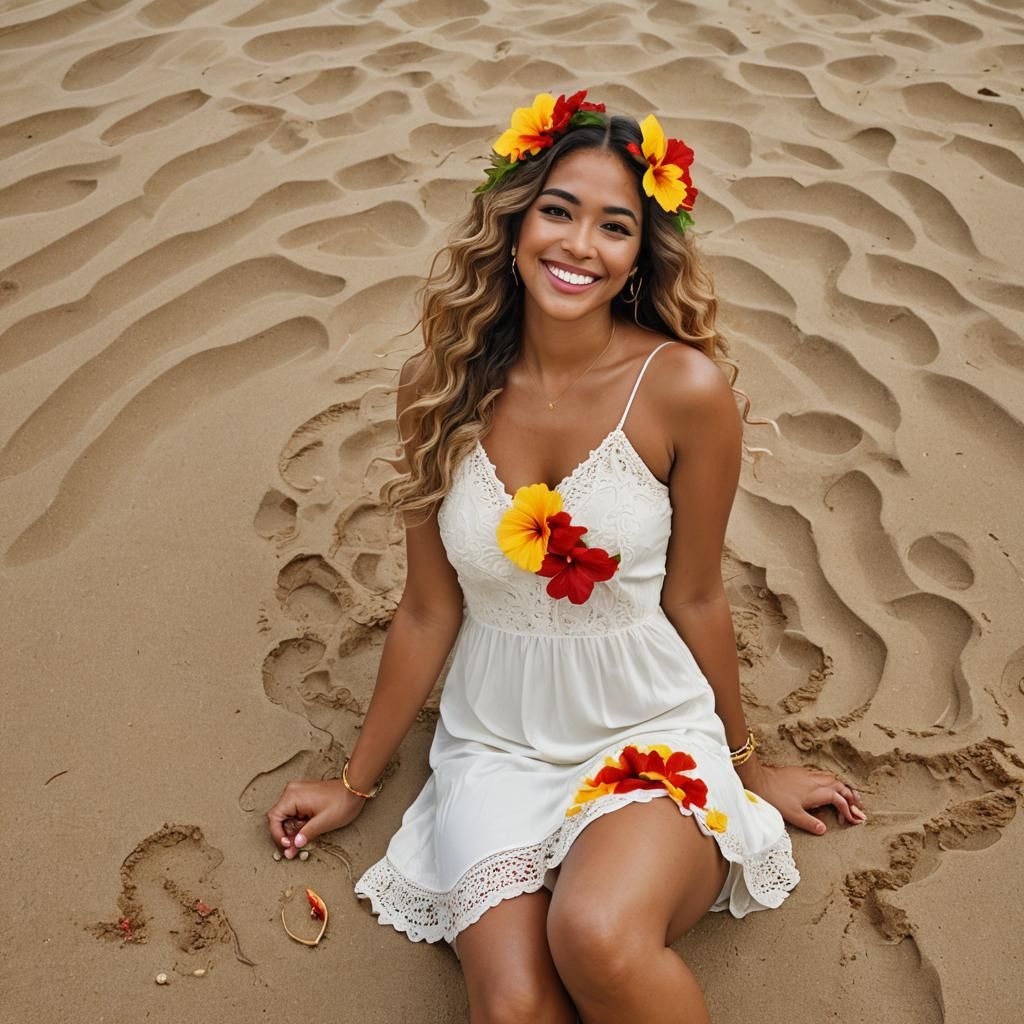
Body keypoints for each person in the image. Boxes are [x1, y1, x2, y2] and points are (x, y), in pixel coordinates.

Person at [266, 91, 868, 1022]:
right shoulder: (437, 386)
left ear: (639, 255)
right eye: (559, 210)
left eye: (614, 225)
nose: (580, 245)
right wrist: (353, 782)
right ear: (514, 223)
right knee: (511, 1007)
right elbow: (430, 610)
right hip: (496, 740)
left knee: (595, 936)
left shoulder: (684, 390)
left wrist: (751, 767)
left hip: (645, 724)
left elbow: (698, 596)